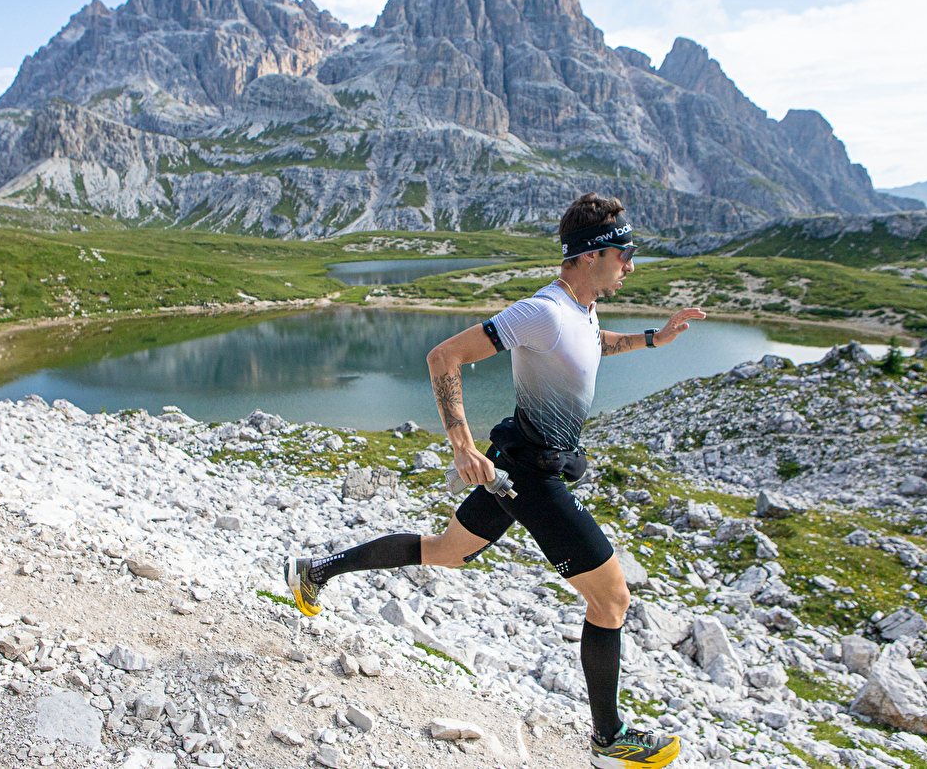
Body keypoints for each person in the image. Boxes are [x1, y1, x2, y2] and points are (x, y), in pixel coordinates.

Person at [285, 192, 706, 769]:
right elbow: (443, 357)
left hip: (517, 466)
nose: (630, 264)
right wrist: (461, 447)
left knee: (444, 553)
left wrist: (655, 339)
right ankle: (609, 740)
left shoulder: (582, 312)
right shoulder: (543, 311)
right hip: (532, 476)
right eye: (623, 252)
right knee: (612, 600)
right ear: (588, 256)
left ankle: (316, 572)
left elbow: (595, 345)